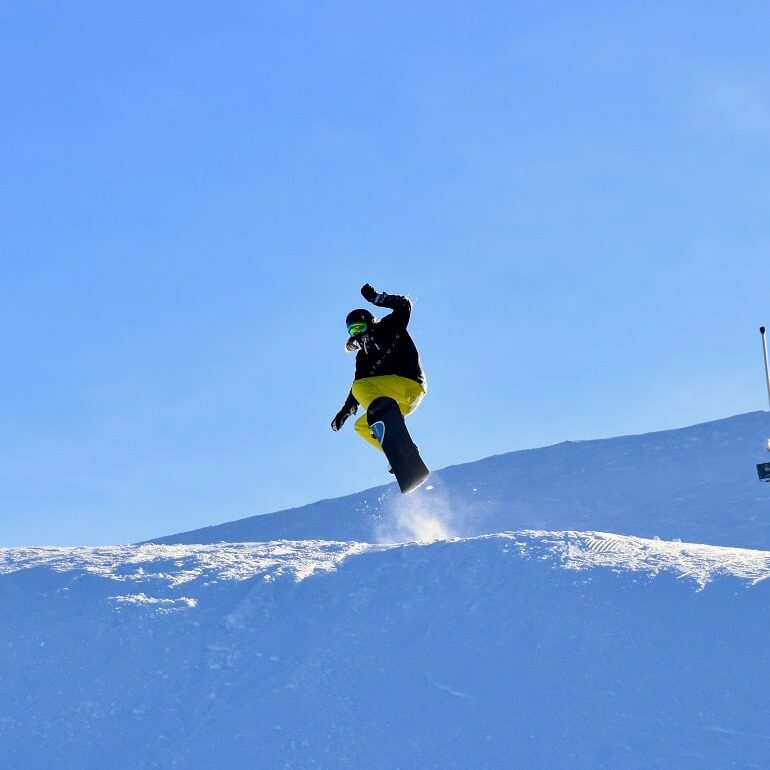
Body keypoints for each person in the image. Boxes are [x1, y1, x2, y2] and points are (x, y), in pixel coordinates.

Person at [331, 284, 427, 455]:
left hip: (411, 386)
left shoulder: (387, 327)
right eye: (353, 331)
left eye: (360, 327)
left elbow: (404, 306)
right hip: (400, 403)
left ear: (369, 323)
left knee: (360, 388)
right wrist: (344, 412)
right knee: (361, 426)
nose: (357, 334)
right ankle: (400, 453)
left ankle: (385, 419)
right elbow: (357, 390)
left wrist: (376, 299)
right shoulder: (363, 357)